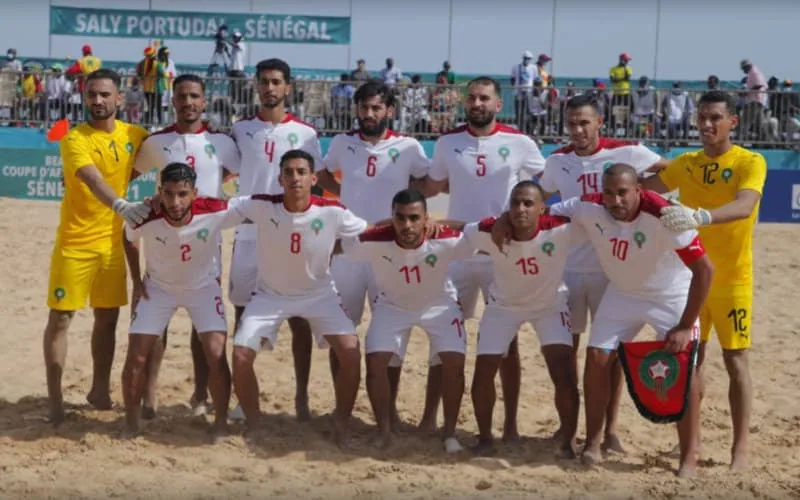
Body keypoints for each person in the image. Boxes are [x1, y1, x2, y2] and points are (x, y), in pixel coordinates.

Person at [545, 164, 714, 477]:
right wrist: (503, 224)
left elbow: (705, 271)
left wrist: (683, 326)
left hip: (670, 295)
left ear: (639, 190)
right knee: (597, 357)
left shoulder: (665, 215)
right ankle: (593, 442)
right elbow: (543, 215)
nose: (615, 200)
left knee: (684, 367)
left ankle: (689, 455)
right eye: (609, 193)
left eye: (623, 193)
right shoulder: (589, 205)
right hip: (623, 292)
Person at [643, 90, 767, 471]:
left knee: (736, 361)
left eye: (715, 118)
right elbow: (641, 189)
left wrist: (700, 216)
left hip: (733, 282)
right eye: (702, 118)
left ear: (733, 122)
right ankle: (692, 445)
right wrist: (627, 160)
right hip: (692, 280)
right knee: (693, 362)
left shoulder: (750, 161)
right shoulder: (687, 163)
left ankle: (740, 449)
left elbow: (745, 205)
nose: (707, 125)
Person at [538, 94, 669, 451]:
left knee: (610, 356)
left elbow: (671, 172)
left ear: (599, 122)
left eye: (584, 122)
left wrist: (639, 196)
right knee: (566, 352)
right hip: (567, 270)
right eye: (571, 123)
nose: (578, 130)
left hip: (612, 271)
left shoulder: (627, 152)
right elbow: (539, 198)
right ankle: (568, 428)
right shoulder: (557, 161)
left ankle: (610, 431)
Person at [420, 76, 545, 437]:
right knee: (442, 336)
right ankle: (430, 417)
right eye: (472, 98)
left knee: (507, 342)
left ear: (497, 104)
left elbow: (547, 186)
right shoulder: (447, 143)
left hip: (501, 252)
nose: (477, 104)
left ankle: (510, 425)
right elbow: (430, 186)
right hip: (458, 251)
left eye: (484, 98)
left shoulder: (520, 142)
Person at [227, 149, 368, 448]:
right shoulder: (262, 205)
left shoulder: (333, 210)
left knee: (351, 352)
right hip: (269, 297)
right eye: (288, 172)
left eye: (301, 172)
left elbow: (372, 232)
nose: (295, 178)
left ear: (313, 179)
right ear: (279, 179)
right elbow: (215, 209)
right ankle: (254, 424)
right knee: (240, 355)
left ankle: (341, 423)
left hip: (320, 295)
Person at [315, 80, 430, 427]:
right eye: (364, 107)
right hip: (348, 248)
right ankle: (342, 408)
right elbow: (322, 174)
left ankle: (388, 409)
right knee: (340, 329)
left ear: (389, 111)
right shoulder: (341, 142)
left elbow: (424, 184)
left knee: (391, 333)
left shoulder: (409, 147)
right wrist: (343, 192)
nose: (369, 113)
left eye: (376, 107)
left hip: (390, 251)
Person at [43, 68, 150, 424]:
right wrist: (120, 203)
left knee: (108, 319)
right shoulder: (75, 139)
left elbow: (159, 154)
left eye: (105, 94)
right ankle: (55, 402)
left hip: (112, 245)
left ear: (119, 98)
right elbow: (91, 177)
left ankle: (99, 391)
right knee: (61, 318)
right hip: (75, 244)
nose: (98, 100)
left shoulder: (135, 134)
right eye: (92, 94)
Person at [446, 181, 581, 457]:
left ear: (542, 208)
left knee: (563, 372)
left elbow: (603, 216)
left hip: (550, 306)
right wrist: (427, 222)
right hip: (503, 308)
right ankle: (485, 439)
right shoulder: (490, 230)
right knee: (484, 371)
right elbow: (459, 228)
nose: (521, 209)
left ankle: (567, 442)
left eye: (528, 203)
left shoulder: (562, 228)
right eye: (515, 203)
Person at [133, 74, 240, 419]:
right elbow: (126, 175)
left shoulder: (222, 142)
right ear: (173, 101)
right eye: (182, 96)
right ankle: (150, 397)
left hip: (206, 244)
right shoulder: (156, 142)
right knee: (157, 321)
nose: (188, 102)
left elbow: (243, 176)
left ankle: (200, 394)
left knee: (202, 323)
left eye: (194, 96)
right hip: (164, 240)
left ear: (204, 101)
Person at [340, 189, 473, 452]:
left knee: (454, 363)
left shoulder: (445, 239)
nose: (407, 225)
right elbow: (346, 244)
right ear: (392, 218)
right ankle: (384, 431)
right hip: (393, 306)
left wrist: (443, 222)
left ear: (426, 218)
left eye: (414, 218)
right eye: (400, 218)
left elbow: (475, 233)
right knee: (376, 362)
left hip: (439, 304)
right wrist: (378, 225)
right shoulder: (376, 239)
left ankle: (449, 433)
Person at [230, 58, 323, 421]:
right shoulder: (240, 130)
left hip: (292, 234)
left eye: (276, 82)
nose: (270, 88)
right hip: (249, 234)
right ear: (256, 86)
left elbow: (318, 184)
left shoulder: (306, 134)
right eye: (264, 81)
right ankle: (243, 399)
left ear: (288, 88)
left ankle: (301, 398)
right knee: (243, 316)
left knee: (300, 317)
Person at [121, 163, 235, 439]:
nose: (175, 202)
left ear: (194, 193)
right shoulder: (145, 214)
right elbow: (128, 237)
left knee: (216, 354)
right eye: (169, 194)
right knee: (136, 356)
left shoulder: (215, 209)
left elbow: (258, 209)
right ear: (160, 192)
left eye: (183, 194)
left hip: (203, 288)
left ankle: (220, 423)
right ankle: (131, 425)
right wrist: (136, 280)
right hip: (158, 289)